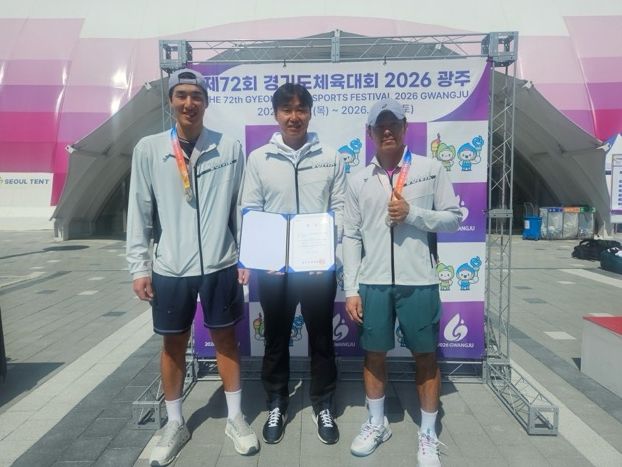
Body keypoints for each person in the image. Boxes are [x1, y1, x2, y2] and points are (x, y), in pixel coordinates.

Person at [126, 68, 259, 466]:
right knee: (173, 345)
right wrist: (139, 267)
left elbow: (240, 208)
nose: (189, 103)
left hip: (220, 263)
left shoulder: (229, 147)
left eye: (196, 96)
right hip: (171, 267)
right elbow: (139, 210)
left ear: (206, 101)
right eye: (181, 95)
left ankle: (235, 418)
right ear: (171, 101)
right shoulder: (149, 149)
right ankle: (174, 423)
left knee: (226, 341)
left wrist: (245, 256)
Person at [343, 98, 462, 465]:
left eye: (393, 123)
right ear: (370, 133)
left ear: (405, 127)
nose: (387, 131)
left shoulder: (430, 169)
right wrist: (351, 289)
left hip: (419, 281)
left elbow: (454, 218)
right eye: (380, 126)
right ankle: (377, 423)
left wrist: (414, 214)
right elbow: (351, 236)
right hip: (374, 282)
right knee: (373, 354)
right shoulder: (358, 179)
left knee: (425, 357)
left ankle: (427, 434)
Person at [240, 83, 345, 445]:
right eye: (287, 109)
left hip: (317, 268)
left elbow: (340, 207)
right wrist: (261, 255)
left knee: (322, 338)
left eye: (301, 109)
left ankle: (323, 403)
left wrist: (327, 250)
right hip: (274, 271)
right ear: (276, 115)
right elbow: (251, 208)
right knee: (275, 339)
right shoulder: (259, 159)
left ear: (310, 113)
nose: (294, 116)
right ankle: (276, 402)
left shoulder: (330, 157)